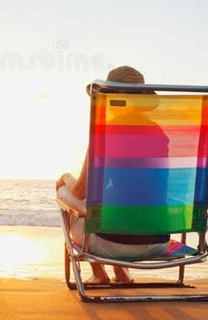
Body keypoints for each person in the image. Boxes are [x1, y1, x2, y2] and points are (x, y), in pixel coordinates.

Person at [56, 65, 170, 285]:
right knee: (116, 197)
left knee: (64, 192)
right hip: (159, 241)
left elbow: (80, 191)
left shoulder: (105, 132)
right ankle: (121, 273)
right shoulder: (159, 133)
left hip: (111, 243)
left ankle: (100, 274)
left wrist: (66, 178)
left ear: (111, 98)